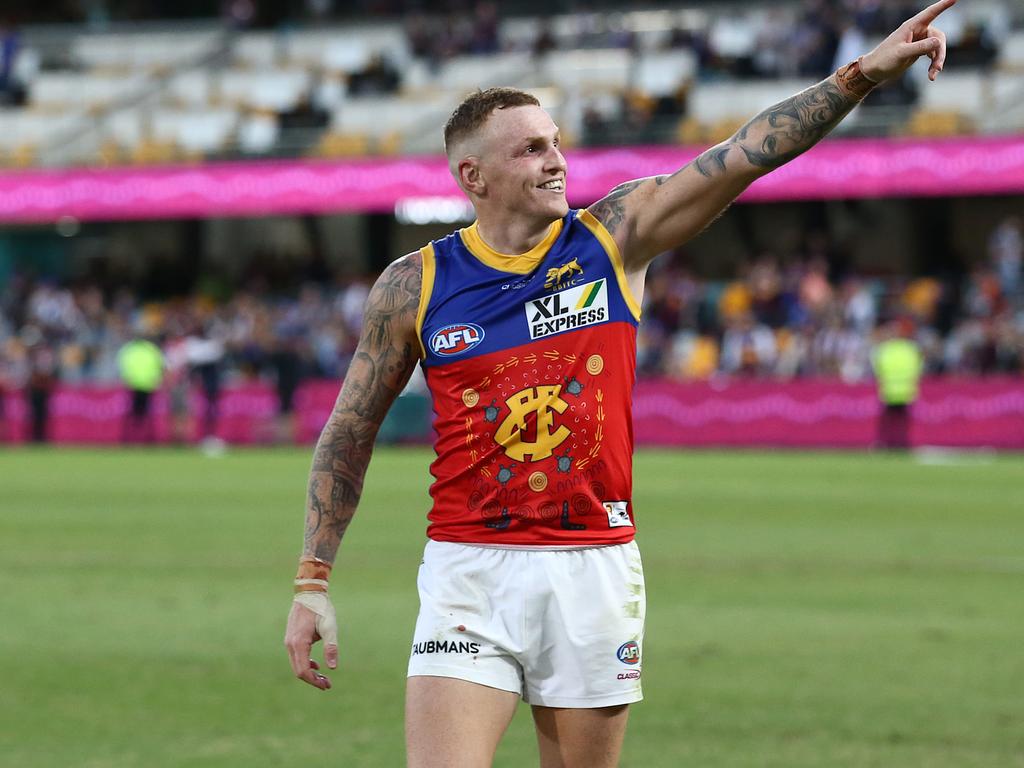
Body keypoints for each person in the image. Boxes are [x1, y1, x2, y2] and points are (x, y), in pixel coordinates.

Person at [285, 3, 955, 765]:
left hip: (592, 568)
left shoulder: (613, 236)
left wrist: (861, 75)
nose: (555, 161)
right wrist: (312, 581)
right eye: (530, 150)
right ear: (472, 176)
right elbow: (349, 429)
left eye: (556, 144)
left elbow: (745, 155)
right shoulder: (415, 284)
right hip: (468, 571)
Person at [872, 317, 924, 449]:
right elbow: (918, 368)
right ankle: (903, 443)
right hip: (906, 390)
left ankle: (886, 443)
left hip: (889, 390)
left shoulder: (885, 349)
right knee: (903, 421)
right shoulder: (911, 349)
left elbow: (878, 368)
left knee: (888, 420)